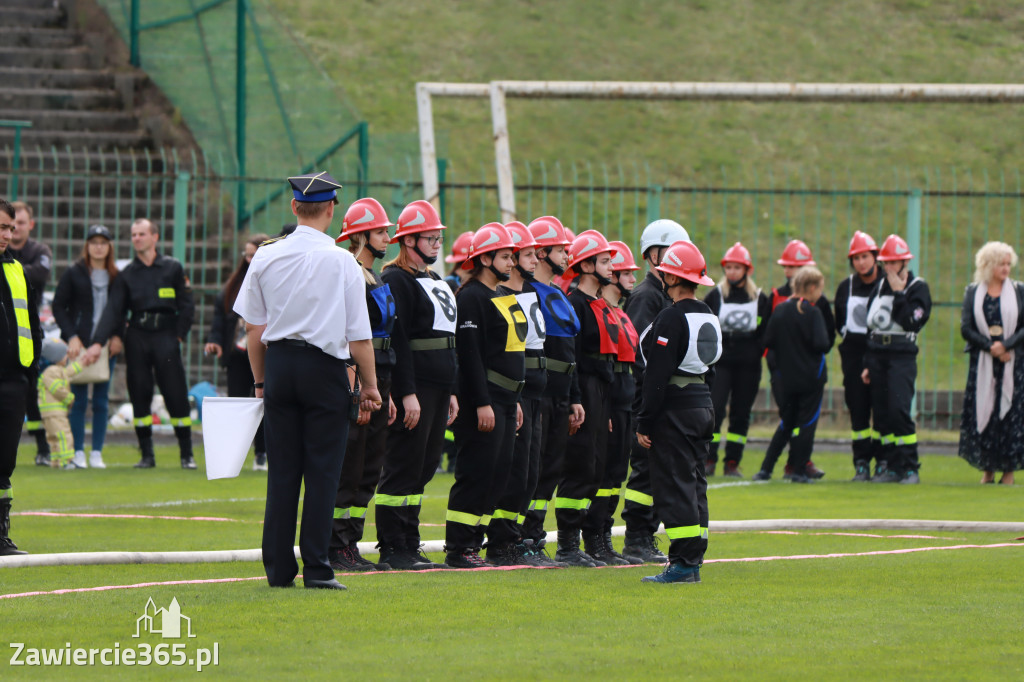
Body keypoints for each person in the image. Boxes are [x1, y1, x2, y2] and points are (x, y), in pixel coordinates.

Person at [233, 170, 381, 591]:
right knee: (322, 474)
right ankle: (317, 568)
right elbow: (360, 339)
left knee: (281, 474)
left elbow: (252, 329)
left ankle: (278, 571)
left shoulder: (265, 255)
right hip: (324, 370)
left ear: (294, 207)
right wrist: (370, 386)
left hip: (280, 366)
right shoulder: (343, 262)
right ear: (331, 210)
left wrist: (262, 383)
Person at [377, 200, 459, 570]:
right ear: (408, 241)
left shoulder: (434, 279)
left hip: (439, 386)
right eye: (430, 237)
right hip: (418, 386)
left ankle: (410, 541)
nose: (437, 243)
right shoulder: (396, 279)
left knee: (424, 466)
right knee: (404, 464)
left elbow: (446, 337)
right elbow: (400, 340)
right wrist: (406, 392)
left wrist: (452, 390)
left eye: (439, 237)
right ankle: (394, 546)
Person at [636, 240, 721, 583]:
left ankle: (683, 563)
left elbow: (656, 375)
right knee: (695, 482)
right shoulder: (709, 314)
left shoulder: (671, 317)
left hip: (675, 409)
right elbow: (711, 367)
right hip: (702, 404)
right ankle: (692, 557)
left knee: (675, 485)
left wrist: (645, 419)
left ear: (672, 278)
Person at [444, 223, 526, 568]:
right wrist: (481, 403)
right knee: (476, 472)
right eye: (506, 256)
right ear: (485, 258)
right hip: (487, 398)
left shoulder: (502, 294)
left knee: (498, 473)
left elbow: (511, 353)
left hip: (507, 400)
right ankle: (458, 549)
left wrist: (515, 398)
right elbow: (471, 356)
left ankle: (472, 545)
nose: (512, 262)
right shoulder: (472, 296)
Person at [83, 218, 196, 469]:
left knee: (175, 393)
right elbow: (114, 312)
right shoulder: (127, 274)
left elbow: (187, 305)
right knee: (140, 394)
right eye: (133, 235)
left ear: (155, 237)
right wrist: (98, 342)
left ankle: (186, 454)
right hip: (137, 337)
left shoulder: (172, 268)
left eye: (142, 234)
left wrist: (178, 334)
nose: (137, 239)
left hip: (166, 335)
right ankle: (147, 455)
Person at [328, 198, 398, 572]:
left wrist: (388, 391)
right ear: (360, 236)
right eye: (381, 231)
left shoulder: (378, 276)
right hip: (358, 382)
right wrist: (357, 388)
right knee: (350, 466)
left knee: (369, 468)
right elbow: (346, 334)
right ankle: (335, 545)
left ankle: (350, 543)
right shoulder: (351, 273)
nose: (388, 236)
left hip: (380, 378)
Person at [484, 221, 556, 566]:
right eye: (526, 254)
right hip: (516, 394)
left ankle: (514, 536)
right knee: (514, 470)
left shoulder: (529, 296)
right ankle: (501, 540)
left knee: (530, 472)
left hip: (534, 395)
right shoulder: (501, 299)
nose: (532, 259)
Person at [621, 218, 689, 564]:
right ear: (653, 256)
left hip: (659, 397)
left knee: (656, 470)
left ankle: (644, 536)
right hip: (644, 398)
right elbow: (639, 353)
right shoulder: (647, 297)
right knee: (644, 471)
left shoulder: (665, 296)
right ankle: (636, 538)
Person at [520, 216, 583, 559]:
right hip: (539, 391)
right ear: (542, 253)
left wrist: (574, 397)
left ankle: (536, 536)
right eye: (560, 250)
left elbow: (568, 349)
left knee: (552, 469)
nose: (566, 256)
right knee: (534, 466)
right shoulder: (528, 292)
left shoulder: (558, 292)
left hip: (561, 393)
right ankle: (523, 538)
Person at [555, 229, 618, 567]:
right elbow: (574, 356)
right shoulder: (575, 303)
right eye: (605, 261)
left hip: (599, 394)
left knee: (595, 468)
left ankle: (583, 542)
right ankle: (567, 545)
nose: (612, 266)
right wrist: (576, 398)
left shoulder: (598, 303)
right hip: (583, 391)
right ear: (587, 264)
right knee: (578, 466)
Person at [760, 239, 835, 480]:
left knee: (786, 423)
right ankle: (799, 469)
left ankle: (766, 468)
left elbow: (767, 340)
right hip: (811, 379)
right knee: (807, 424)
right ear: (812, 288)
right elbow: (823, 343)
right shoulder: (812, 311)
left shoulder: (781, 310)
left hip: (786, 379)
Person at [587, 239, 641, 565]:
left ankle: (605, 536)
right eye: (627, 273)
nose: (633, 280)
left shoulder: (620, 312)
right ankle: (593, 537)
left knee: (617, 474)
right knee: (602, 473)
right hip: (610, 398)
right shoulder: (599, 311)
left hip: (626, 399)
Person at [52, 224, 123, 470]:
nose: (98, 246)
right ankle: (78, 451)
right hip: (79, 345)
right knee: (78, 399)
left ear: (110, 246)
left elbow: (120, 310)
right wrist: (71, 336)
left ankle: (97, 453)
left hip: (105, 346)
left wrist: (117, 336)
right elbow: (59, 306)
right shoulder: (74, 272)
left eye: (103, 242)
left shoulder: (117, 275)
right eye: (94, 242)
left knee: (102, 401)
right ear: (87, 246)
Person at [862, 234, 931, 484]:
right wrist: (867, 363)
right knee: (881, 414)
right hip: (878, 356)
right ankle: (890, 465)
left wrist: (900, 294)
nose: (888, 268)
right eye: (886, 263)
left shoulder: (918, 288)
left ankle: (910, 467)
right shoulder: (878, 287)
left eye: (894, 263)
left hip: (901, 357)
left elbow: (912, 321)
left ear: (904, 263)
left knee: (899, 410)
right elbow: (870, 327)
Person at [958, 242, 1023, 485]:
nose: (1006, 268)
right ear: (988, 265)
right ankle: (988, 469)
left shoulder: (1019, 291)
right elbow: (966, 328)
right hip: (983, 363)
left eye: (1008, 263)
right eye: (1001, 263)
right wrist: (991, 348)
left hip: (1013, 363)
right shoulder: (973, 292)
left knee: (1011, 416)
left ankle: (1008, 472)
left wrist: (1006, 345)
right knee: (983, 413)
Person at [703, 242, 770, 478]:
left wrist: (756, 350)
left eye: (737, 267)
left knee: (741, 414)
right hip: (721, 363)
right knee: (715, 410)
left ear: (747, 270)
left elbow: (766, 332)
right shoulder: (716, 296)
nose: (732, 272)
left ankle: (733, 461)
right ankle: (709, 458)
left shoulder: (760, 298)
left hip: (749, 366)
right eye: (728, 267)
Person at [204, 233, 269, 472]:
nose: (250, 259)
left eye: (255, 254)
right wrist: (214, 341)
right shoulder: (235, 283)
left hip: (264, 351)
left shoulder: (273, 278)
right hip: (237, 354)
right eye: (247, 255)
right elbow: (220, 317)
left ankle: (261, 453)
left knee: (262, 402)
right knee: (238, 402)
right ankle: (233, 456)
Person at [1, 198, 41, 556]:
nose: (5, 235)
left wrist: (31, 370)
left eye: (8, 228)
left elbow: (31, 323)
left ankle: (0, 535)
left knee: (4, 461)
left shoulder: (17, 269)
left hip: (14, 380)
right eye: (0, 227)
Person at [834, 231, 883, 481]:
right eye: (856, 258)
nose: (861, 262)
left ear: (875, 257)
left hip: (883, 354)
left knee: (884, 409)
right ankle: (861, 462)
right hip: (854, 355)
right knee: (858, 409)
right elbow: (839, 321)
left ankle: (884, 462)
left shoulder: (887, 283)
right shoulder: (847, 286)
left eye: (865, 256)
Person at [8, 201, 52, 467]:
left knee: (30, 392)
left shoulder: (39, 250)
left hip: (26, 333)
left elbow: (40, 273)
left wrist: (9, 270)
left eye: (20, 223)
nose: (15, 229)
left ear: (30, 225)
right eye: (10, 225)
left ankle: (42, 446)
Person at [37, 339, 84, 468]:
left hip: (49, 413)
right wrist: (70, 398)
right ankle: (66, 461)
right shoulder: (51, 372)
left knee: (53, 438)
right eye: (64, 355)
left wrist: (83, 363)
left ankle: (56, 461)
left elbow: (69, 372)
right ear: (56, 357)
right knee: (64, 436)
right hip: (55, 412)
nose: (67, 357)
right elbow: (57, 389)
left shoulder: (54, 370)